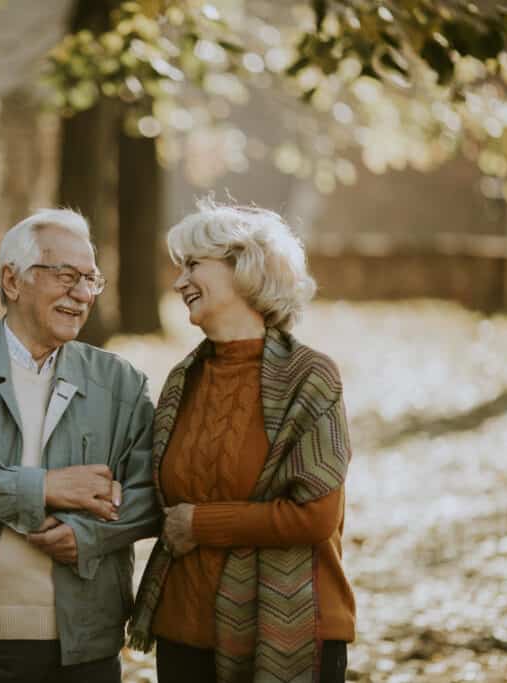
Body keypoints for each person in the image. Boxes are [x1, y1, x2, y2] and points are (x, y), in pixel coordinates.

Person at [0, 208, 160, 683]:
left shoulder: (120, 383)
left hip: (85, 646)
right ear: (13, 282)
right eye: (66, 276)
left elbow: (153, 493)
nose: (81, 294)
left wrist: (88, 537)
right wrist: (43, 488)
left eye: (90, 280)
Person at [128, 200, 355, 683]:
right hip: (183, 636)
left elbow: (316, 516)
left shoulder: (309, 378)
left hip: (285, 636)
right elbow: (162, 500)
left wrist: (203, 524)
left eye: (193, 265)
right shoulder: (181, 380)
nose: (179, 281)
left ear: (245, 267)